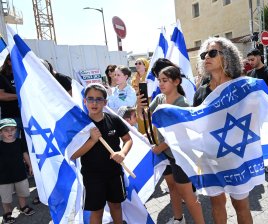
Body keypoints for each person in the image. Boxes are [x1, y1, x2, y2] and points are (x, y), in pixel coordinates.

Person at [194, 37, 253, 224]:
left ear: (226, 57)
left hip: (236, 155)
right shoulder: (201, 92)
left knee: (241, 205)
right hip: (210, 157)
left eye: (212, 53)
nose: (206, 57)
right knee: (216, 204)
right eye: (204, 54)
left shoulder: (241, 87)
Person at [137, 65, 205, 224]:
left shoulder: (182, 103)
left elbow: (179, 135)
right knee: (172, 189)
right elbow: (143, 117)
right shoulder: (160, 98)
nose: (160, 84)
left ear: (176, 81)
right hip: (165, 155)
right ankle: (178, 219)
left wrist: (159, 148)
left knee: (188, 195)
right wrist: (139, 105)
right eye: (159, 80)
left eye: (165, 80)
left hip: (179, 156)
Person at [71, 83, 133, 224]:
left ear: (105, 102)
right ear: (85, 101)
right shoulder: (81, 125)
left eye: (99, 99)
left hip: (114, 172)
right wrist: (92, 140)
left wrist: (122, 153)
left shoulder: (114, 120)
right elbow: (73, 154)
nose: (94, 103)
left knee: (116, 206)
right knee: (97, 211)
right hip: (92, 175)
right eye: (90, 99)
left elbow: (128, 140)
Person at [247, 48, 268, 173]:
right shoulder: (250, 73)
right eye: (248, 60)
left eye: (252, 59)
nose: (250, 62)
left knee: (266, 137)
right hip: (254, 110)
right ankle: (260, 160)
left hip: (266, 109)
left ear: (259, 57)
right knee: (256, 137)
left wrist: (257, 88)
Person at [0, 118, 35, 224]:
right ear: (0, 132)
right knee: (6, 198)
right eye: (6, 130)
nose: (10, 132)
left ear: (16, 130)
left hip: (20, 174)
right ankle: (7, 213)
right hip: (3, 177)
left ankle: (23, 207)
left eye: (12, 129)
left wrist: (30, 165)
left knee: (22, 193)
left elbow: (25, 154)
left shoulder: (20, 142)